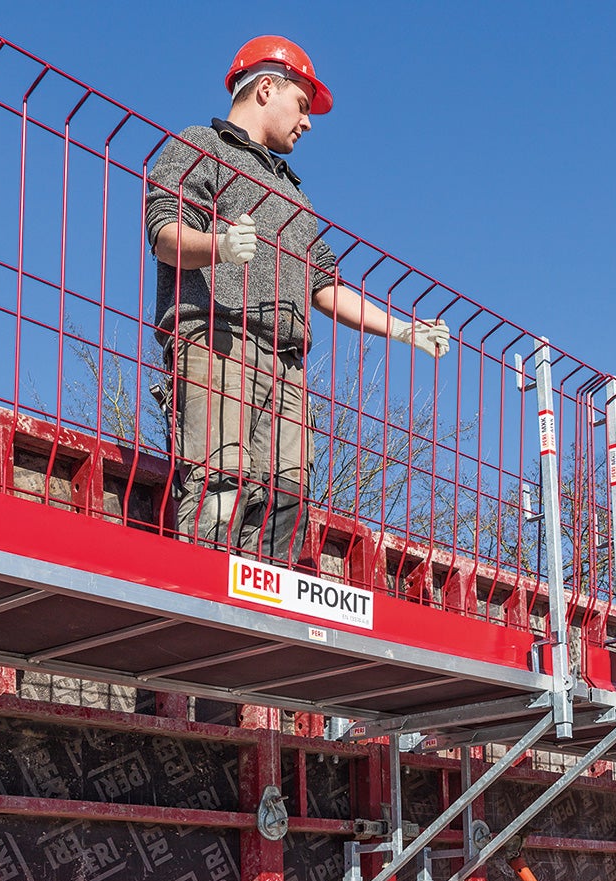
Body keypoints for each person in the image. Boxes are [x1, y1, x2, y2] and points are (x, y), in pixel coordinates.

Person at [145, 35, 450, 564]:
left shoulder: (296, 196)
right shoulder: (202, 146)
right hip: (219, 342)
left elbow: (324, 285)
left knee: (288, 496)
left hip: (287, 364)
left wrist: (403, 329)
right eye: (303, 105)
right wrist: (217, 245)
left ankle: (261, 605)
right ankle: (204, 587)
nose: (307, 122)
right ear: (266, 88)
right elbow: (164, 233)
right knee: (222, 480)